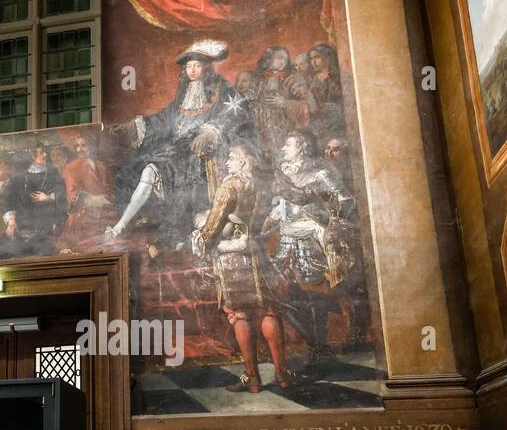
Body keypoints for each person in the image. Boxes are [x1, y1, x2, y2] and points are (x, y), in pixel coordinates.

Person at [109, 38, 250, 246]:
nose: (192, 70)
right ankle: (138, 217)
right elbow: (166, 119)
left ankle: (131, 225)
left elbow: (232, 116)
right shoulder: (183, 93)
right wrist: (135, 127)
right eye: (189, 66)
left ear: (206, 67)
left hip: (198, 155)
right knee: (132, 168)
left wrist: (210, 133)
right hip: (172, 150)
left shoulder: (222, 90)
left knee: (154, 170)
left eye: (197, 66)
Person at [193, 145, 290, 393]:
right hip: (257, 252)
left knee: (239, 314)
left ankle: (253, 378)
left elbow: (214, 225)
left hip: (232, 257)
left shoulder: (229, 187)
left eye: (231, 159)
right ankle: (282, 374)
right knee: (268, 310)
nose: (226, 163)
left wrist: (201, 238)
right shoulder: (260, 185)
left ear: (243, 162)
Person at [265, 130, 357, 378]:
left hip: (312, 242)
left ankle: (320, 350)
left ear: (302, 148)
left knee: (315, 295)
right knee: (284, 297)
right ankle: (315, 346)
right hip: (286, 243)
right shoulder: (284, 175)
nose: (284, 148)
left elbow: (345, 200)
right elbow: (280, 209)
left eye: (288, 144)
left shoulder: (320, 174)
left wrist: (328, 223)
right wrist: (266, 226)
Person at [250, 45, 315, 164]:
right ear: (268, 59)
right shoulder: (257, 79)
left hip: (284, 132)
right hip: (260, 132)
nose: (283, 61)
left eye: (285, 59)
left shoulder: (294, 79)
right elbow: (249, 101)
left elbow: (310, 106)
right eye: (279, 57)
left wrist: (285, 103)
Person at [59, 134, 115, 253]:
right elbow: (73, 196)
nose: (79, 149)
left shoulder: (101, 166)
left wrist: (107, 204)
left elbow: (110, 191)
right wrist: (96, 200)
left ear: (92, 146)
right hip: (81, 220)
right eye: (77, 146)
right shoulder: (71, 168)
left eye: (83, 145)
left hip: (103, 217)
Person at [18, 145, 66, 256]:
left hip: (49, 216)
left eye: (45, 152)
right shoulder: (25, 175)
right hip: (32, 218)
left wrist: (48, 197)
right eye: (41, 153)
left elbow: (62, 192)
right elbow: (21, 199)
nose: (45, 155)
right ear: (33, 156)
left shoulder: (52, 172)